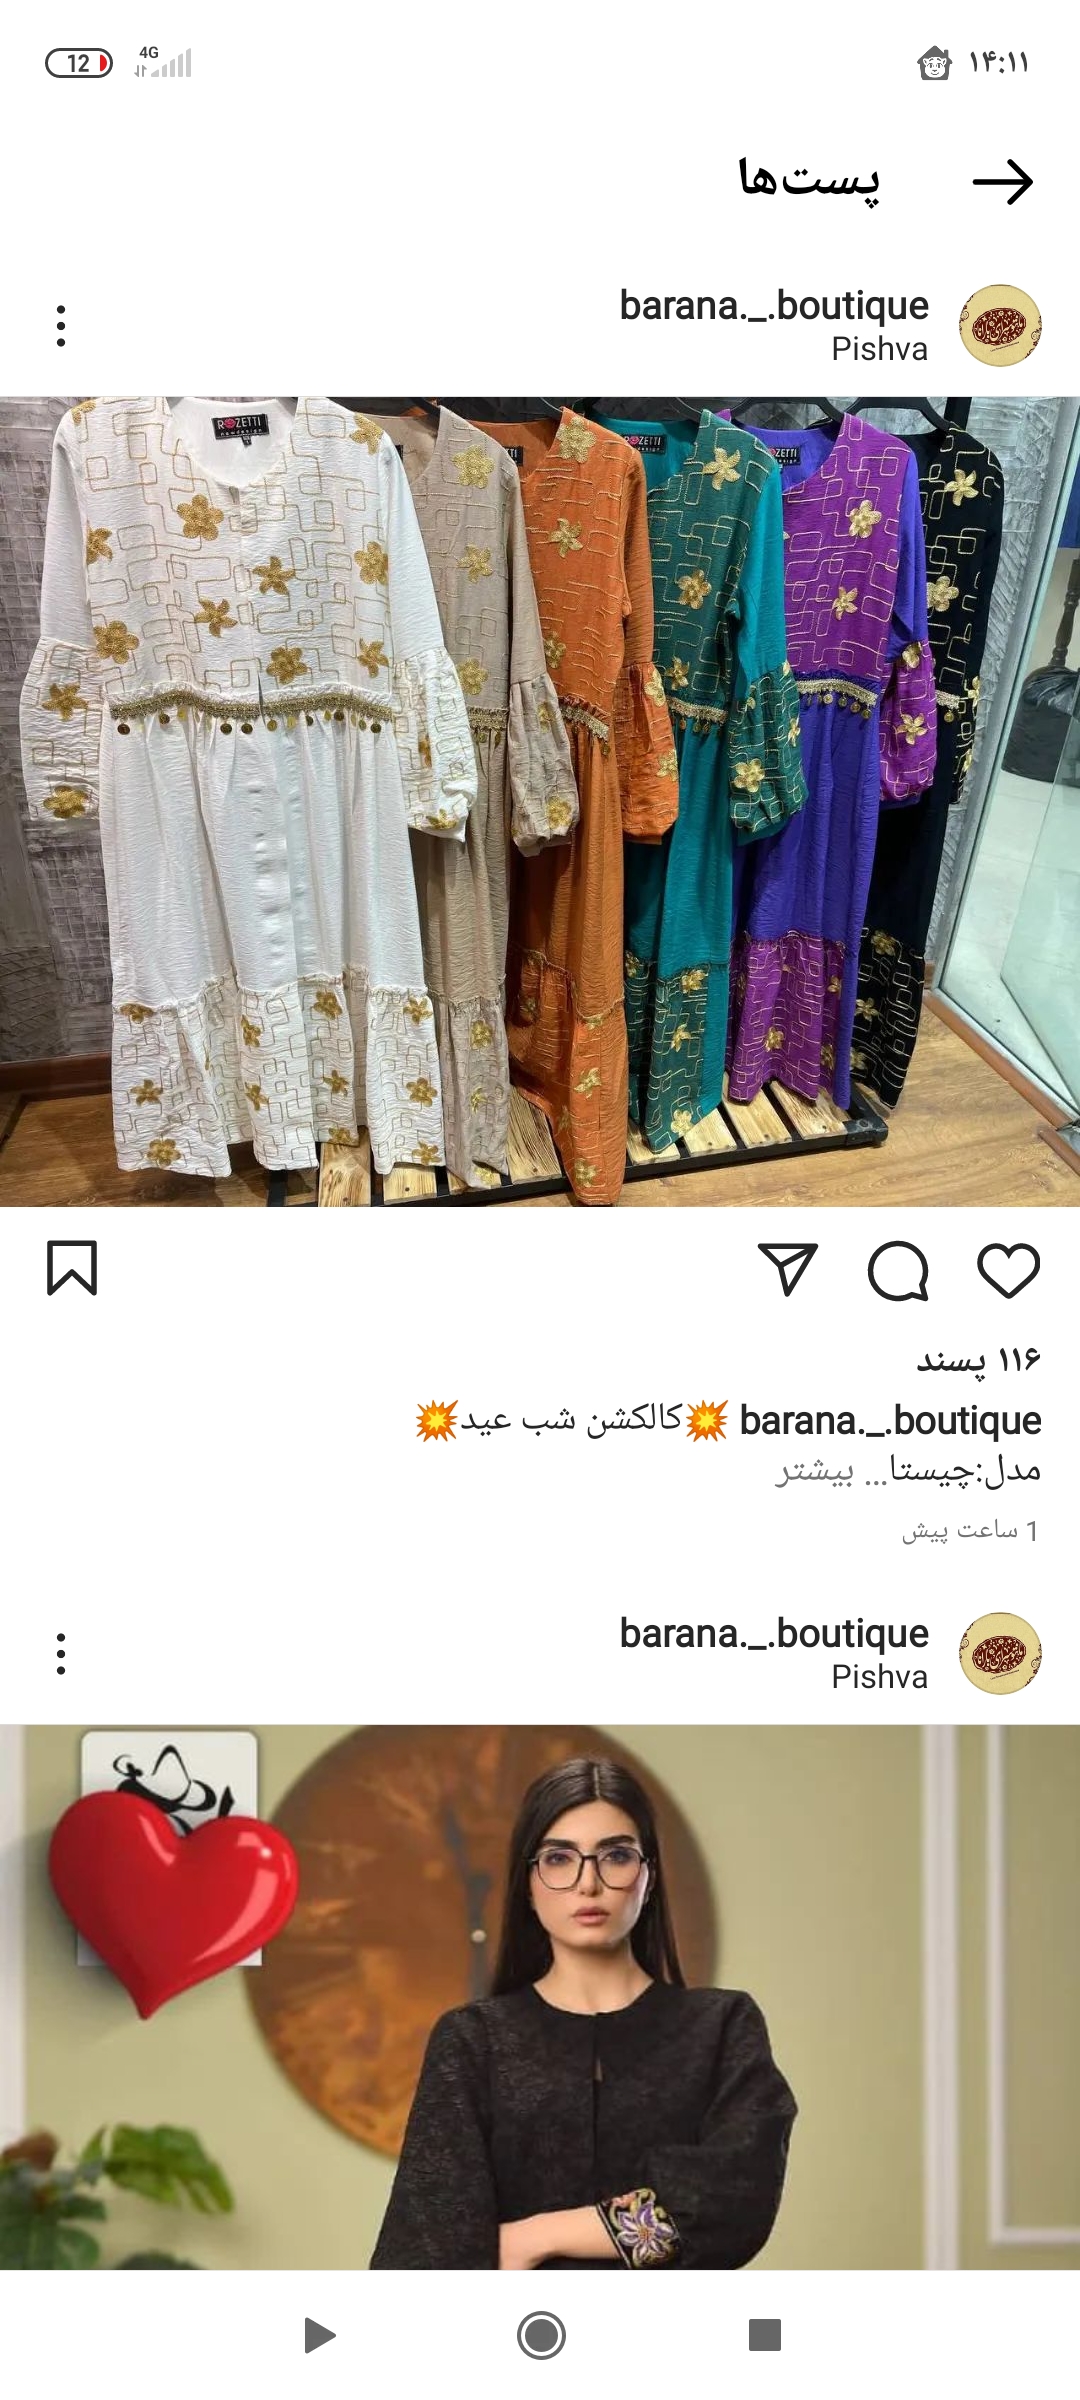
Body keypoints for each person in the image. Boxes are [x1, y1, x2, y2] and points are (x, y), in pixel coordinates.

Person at [370, 1757, 796, 2268]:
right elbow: (425, 2247)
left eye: (615, 1856)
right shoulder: (473, 2039)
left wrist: (539, 2236)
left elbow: (733, 2202)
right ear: (528, 1884)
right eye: (558, 1858)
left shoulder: (722, 2027)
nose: (587, 1883)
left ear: (649, 1876)